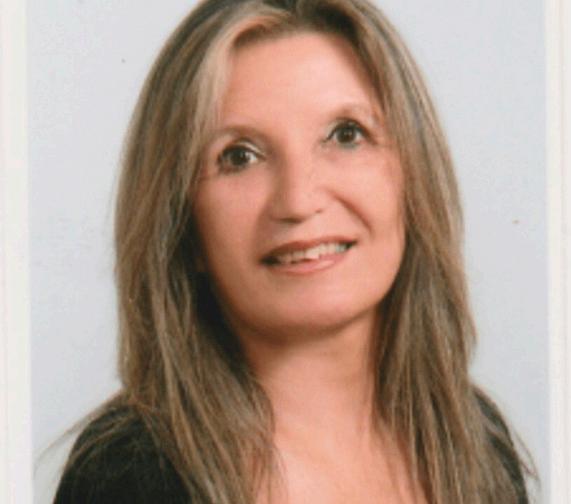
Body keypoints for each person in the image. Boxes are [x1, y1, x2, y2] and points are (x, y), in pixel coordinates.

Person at [53, 0, 535, 502]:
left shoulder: (477, 439)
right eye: (239, 156)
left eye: (346, 135)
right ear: (181, 224)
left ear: (414, 178)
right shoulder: (129, 477)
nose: (299, 200)